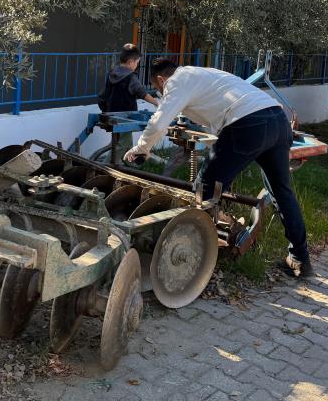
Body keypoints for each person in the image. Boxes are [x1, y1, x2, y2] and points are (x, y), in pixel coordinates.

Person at [123, 59, 313, 277]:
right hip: (277, 121)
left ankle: (187, 261)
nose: (162, 93)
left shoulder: (177, 81)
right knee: (282, 191)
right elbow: (220, 122)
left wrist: (141, 149)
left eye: (159, 90)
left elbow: (158, 122)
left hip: (248, 124)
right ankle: (300, 258)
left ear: (161, 79)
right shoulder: (205, 74)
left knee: (202, 191)